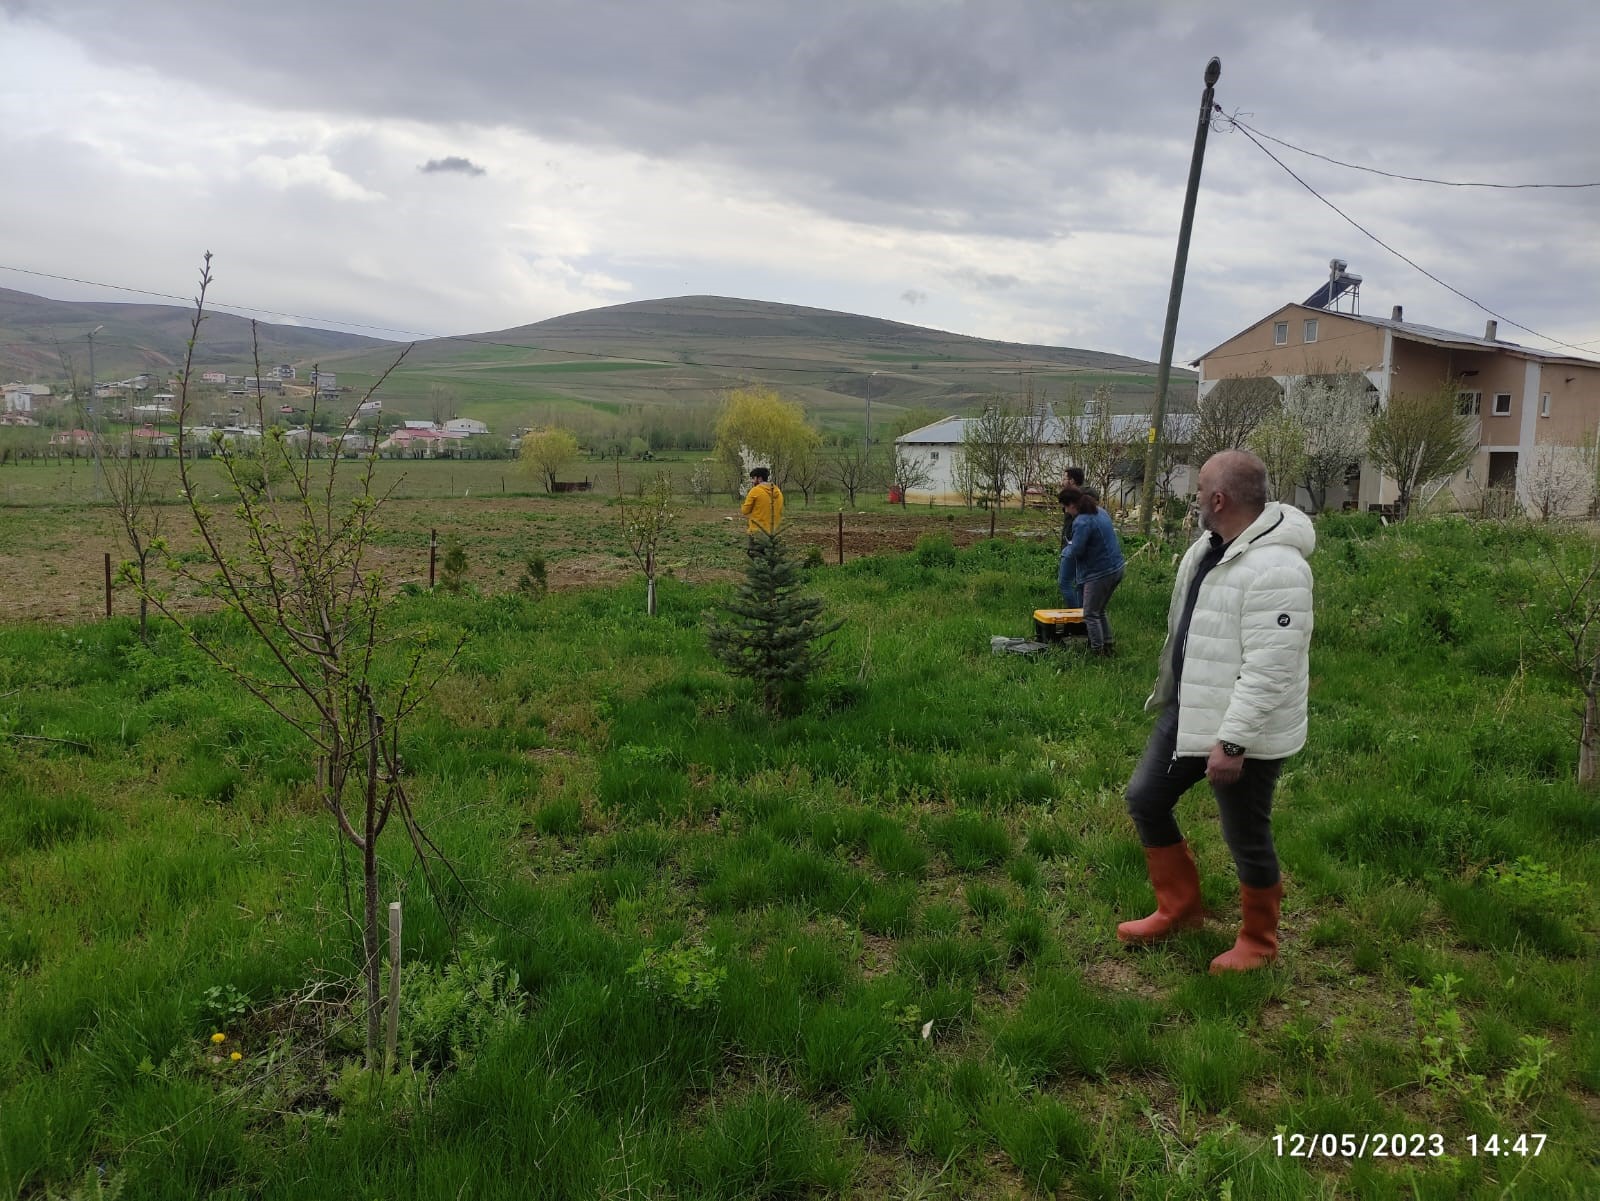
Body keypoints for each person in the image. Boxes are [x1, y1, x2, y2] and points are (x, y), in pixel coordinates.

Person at [1116, 450, 1314, 973]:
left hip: (1248, 732)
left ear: (1219, 499)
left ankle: (1259, 941)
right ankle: (1178, 911)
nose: (1195, 495)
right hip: (1191, 709)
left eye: (1200, 487)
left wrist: (1232, 743)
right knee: (1146, 797)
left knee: (1245, 832)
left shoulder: (1278, 568)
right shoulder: (1209, 548)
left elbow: (1272, 669)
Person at [1056, 486, 1124, 655]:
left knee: (1090, 614)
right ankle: (1108, 645)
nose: (1065, 511)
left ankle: (1097, 652)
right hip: (1116, 568)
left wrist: (1066, 551)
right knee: (1099, 610)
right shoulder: (1099, 511)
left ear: (1072, 504)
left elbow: (1077, 550)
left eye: (1065, 507)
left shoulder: (1082, 521)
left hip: (1099, 573)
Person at [1057, 467, 1086, 607]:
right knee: (1079, 583)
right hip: (1074, 545)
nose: (1062, 481)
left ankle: (1077, 616)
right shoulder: (1081, 497)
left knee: (1065, 583)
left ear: (1072, 480)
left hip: (1073, 546)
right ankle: (1081, 616)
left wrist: (1070, 545)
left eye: (1064, 478)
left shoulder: (1078, 498)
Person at [740, 466, 784, 551]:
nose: (752, 481)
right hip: (774, 532)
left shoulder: (755, 491)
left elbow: (745, 511)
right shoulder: (778, 491)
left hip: (757, 532)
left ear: (759, 478)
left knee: (755, 557)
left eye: (753, 478)